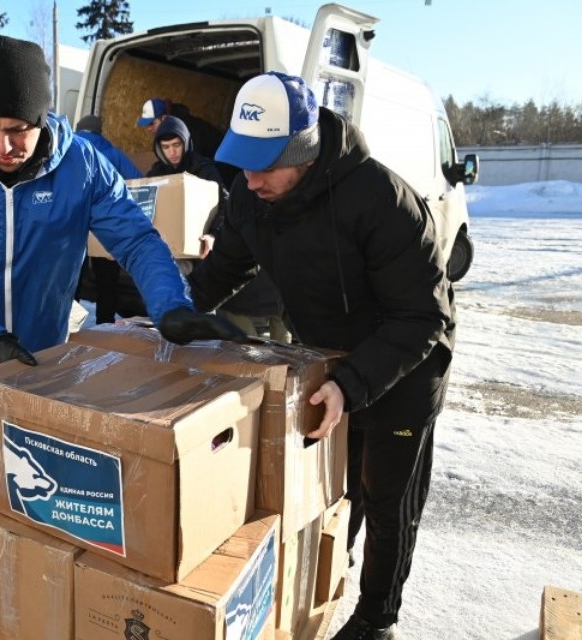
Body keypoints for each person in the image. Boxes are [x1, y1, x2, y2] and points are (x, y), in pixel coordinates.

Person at [0, 35, 245, 606]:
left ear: (42, 116)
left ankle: (39, 568)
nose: (5, 145)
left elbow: (134, 237)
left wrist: (171, 305)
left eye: (19, 129)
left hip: (40, 353)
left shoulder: (80, 164)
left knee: (38, 462)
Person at [188, 72, 455, 640]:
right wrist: (178, 309)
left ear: (304, 151)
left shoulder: (381, 200)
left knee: (387, 500)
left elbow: (422, 317)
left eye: (264, 164)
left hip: (404, 366)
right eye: (244, 163)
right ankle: (334, 570)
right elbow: (224, 268)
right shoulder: (251, 197)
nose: (251, 179)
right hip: (330, 362)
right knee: (336, 488)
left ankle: (376, 617)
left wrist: (352, 383)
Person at [149, 116, 289, 341]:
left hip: (202, 252)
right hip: (172, 253)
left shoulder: (203, 168)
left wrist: (212, 235)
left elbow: (224, 203)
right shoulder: (156, 174)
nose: (172, 152)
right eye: (165, 147)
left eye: (176, 145)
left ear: (186, 143)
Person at [74, 114, 143, 324]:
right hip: (105, 227)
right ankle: (105, 324)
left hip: (74, 227)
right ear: (99, 131)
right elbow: (140, 182)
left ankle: (68, 323)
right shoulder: (114, 153)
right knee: (107, 280)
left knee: (72, 277)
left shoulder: (69, 148)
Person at [136, 97, 225, 163]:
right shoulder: (170, 131)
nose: (149, 129)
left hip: (223, 167)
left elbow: (197, 163)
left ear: (164, 118)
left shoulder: (187, 129)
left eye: (152, 123)